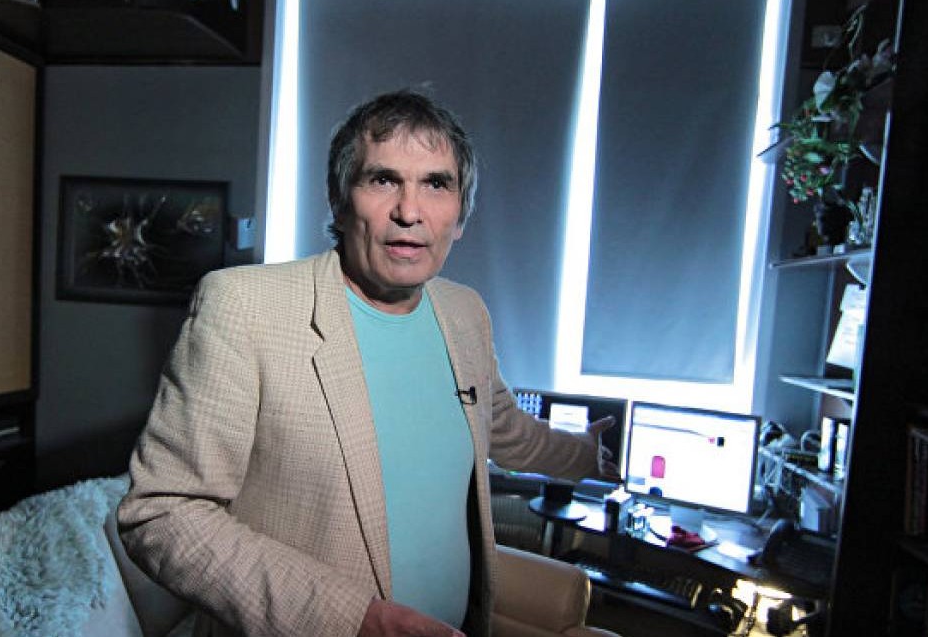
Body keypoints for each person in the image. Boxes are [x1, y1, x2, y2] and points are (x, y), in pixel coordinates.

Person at [117, 89, 616, 637]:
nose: (409, 211)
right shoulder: (244, 307)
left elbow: (504, 428)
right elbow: (162, 512)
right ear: (339, 200)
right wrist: (354, 620)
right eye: (383, 180)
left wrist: (590, 456)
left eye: (436, 184)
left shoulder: (465, 313)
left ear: (460, 215)